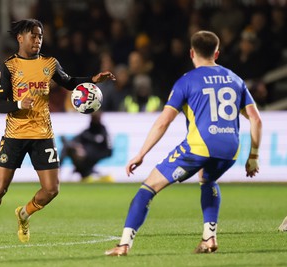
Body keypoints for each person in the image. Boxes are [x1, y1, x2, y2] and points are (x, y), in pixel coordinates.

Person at [105, 31, 262, 256]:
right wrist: (253, 157)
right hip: (231, 149)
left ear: (191, 53)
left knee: (147, 188)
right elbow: (256, 119)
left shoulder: (186, 81)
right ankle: (209, 237)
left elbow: (164, 122)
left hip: (200, 146)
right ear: (217, 53)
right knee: (207, 179)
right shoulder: (235, 79)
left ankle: (123, 245)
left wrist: (141, 153)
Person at [0, 19, 115, 244]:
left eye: (40, 36)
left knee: (51, 189)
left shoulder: (49, 63)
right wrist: (20, 104)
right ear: (20, 38)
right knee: (0, 188)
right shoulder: (9, 66)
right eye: (33, 36)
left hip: (43, 135)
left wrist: (92, 80)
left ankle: (24, 214)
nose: (38, 40)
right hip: (15, 135)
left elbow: (68, 82)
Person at [60, 111, 113, 183]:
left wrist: (86, 153)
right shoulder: (86, 132)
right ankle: (57, 173)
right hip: (82, 157)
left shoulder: (102, 131)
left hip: (94, 155)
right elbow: (74, 140)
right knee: (67, 147)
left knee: (78, 150)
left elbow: (109, 151)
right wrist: (78, 147)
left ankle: (87, 172)